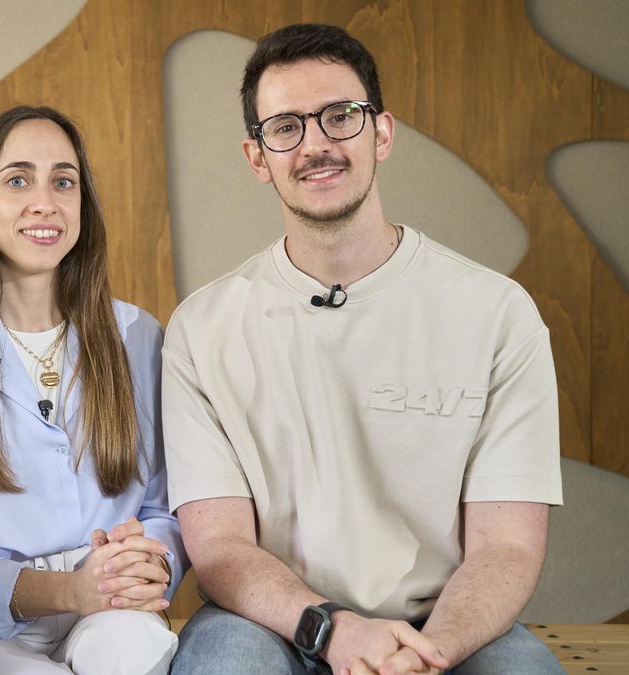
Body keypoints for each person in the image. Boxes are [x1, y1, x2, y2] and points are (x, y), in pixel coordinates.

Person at [164, 24, 563, 675]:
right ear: (257, 157)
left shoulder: (496, 313)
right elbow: (220, 546)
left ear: (381, 132)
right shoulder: (201, 328)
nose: (316, 143)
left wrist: (429, 652)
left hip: (445, 622)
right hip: (273, 623)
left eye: (340, 116)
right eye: (286, 126)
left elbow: (507, 547)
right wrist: (333, 631)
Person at [0, 106, 186, 674]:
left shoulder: (139, 337)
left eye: (63, 181)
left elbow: (166, 507)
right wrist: (68, 590)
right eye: (17, 180)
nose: (45, 202)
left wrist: (149, 563)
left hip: (118, 608)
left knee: (127, 654)